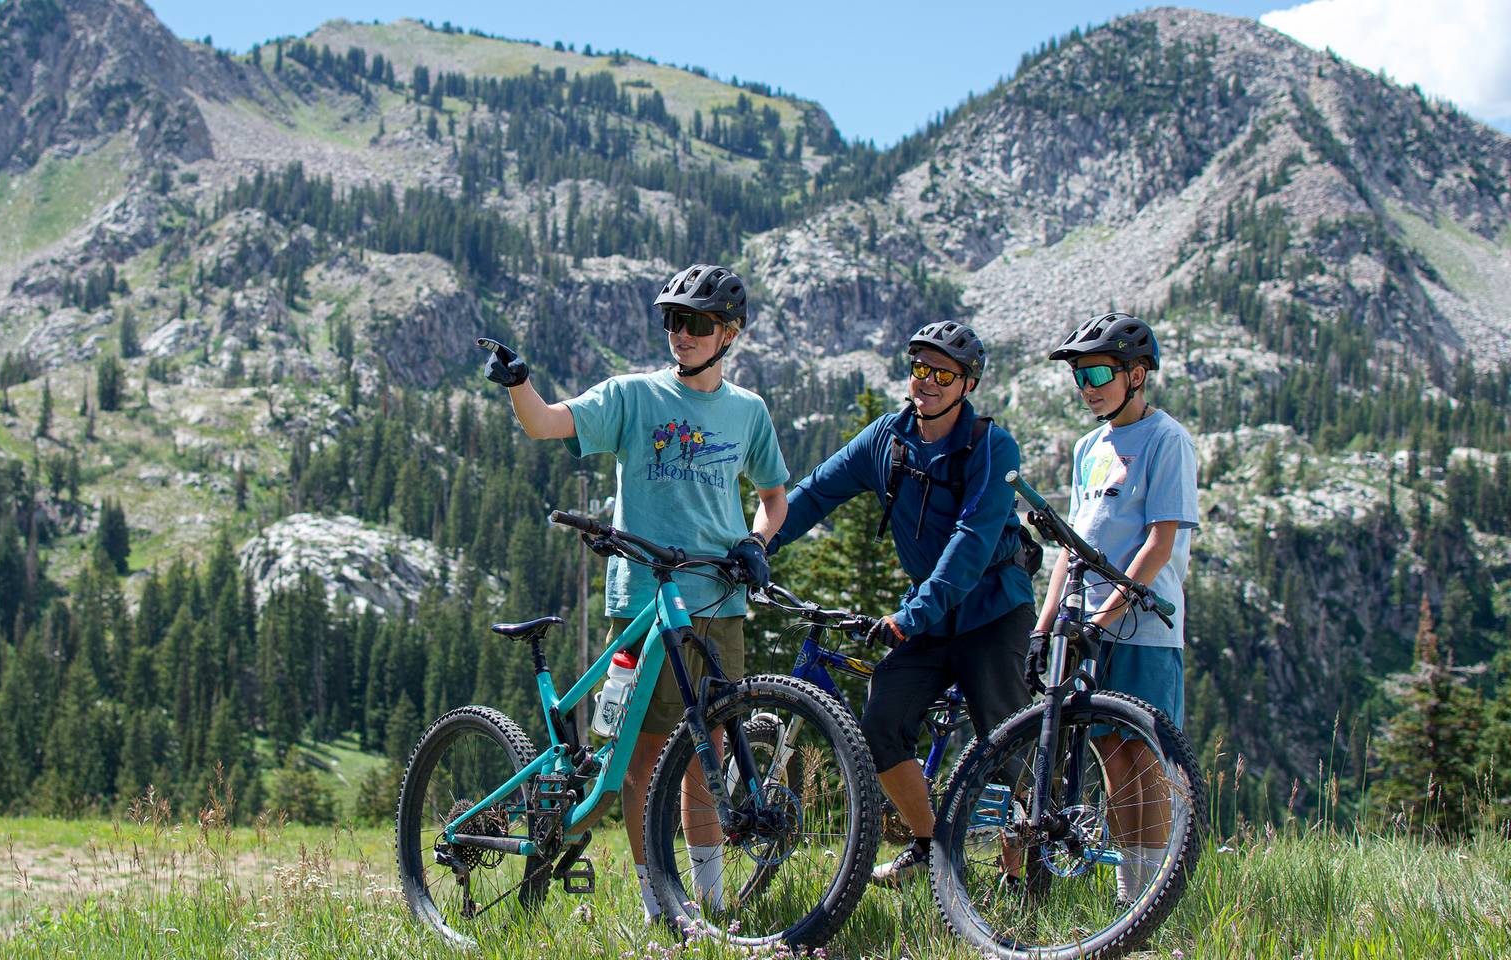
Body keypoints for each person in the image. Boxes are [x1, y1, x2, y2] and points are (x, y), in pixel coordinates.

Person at [480, 263, 790, 921]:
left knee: (707, 752)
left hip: (719, 603)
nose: (681, 333)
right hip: (641, 603)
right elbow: (546, 423)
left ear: (729, 333)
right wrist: (519, 384)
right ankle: (659, 906)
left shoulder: (748, 412)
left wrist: (757, 543)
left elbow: (773, 498)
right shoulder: (632, 395)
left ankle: (706, 903)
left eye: (697, 323)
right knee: (640, 756)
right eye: (673, 320)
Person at [765, 320, 1037, 888]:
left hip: (992, 608)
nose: (928, 382)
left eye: (944, 373)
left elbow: (970, 544)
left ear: (968, 384)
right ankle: (932, 848)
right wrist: (756, 544)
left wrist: (909, 618)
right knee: (881, 726)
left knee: (1007, 738)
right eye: (920, 369)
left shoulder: (991, 445)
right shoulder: (887, 438)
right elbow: (816, 492)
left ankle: (1034, 869)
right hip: (928, 617)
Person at [1036, 311, 1198, 905]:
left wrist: (1103, 622)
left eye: (1099, 372)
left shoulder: (1166, 439)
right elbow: (1070, 549)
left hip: (1144, 633)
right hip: (1086, 630)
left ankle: (1148, 906)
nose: (1088, 386)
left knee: (1145, 763)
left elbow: (1159, 543)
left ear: (1137, 374)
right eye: (1080, 376)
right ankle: (1130, 901)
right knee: (1111, 760)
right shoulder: (1088, 446)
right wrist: (1046, 625)